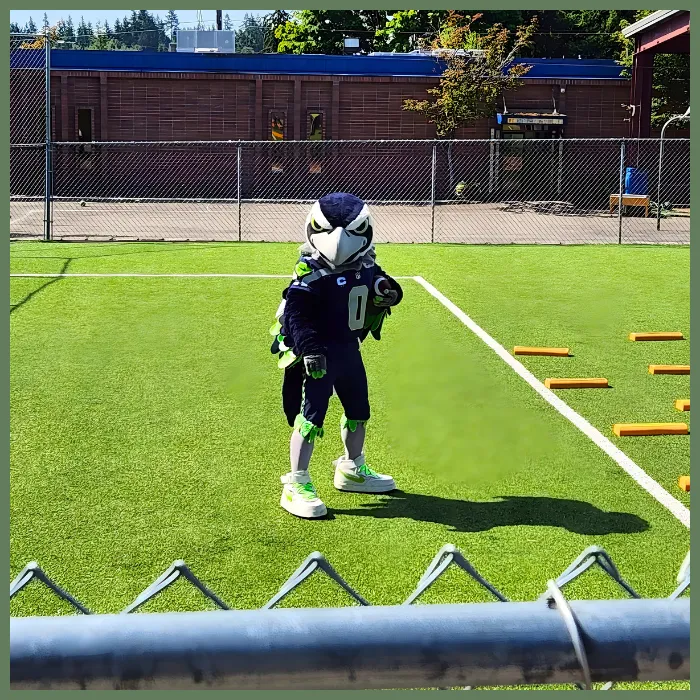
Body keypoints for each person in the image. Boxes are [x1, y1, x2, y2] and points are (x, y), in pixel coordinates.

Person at [269, 192, 403, 518]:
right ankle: (297, 481)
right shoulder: (311, 272)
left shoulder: (365, 263)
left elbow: (381, 282)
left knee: (359, 410)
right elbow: (296, 315)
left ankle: (352, 468)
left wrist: (390, 292)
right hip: (320, 355)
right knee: (311, 417)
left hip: (349, 350)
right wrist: (309, 349)